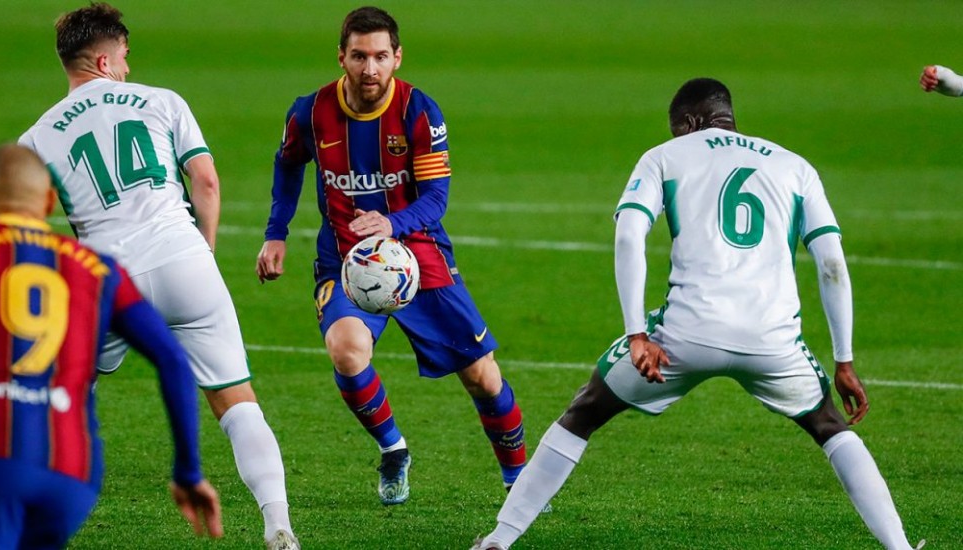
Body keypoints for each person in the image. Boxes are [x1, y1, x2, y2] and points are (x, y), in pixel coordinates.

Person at [472, 78, 922, 550]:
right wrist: (844, 359)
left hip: (682, 338)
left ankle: (500, 540)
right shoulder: (795, 167)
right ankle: (899, 548)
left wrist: (636, 334)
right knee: (829, 425)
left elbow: (629, 237)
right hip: (772, 340)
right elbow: (832, 262)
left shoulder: (665, 157)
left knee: (584, 413)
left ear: (688, 123)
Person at [16, 5, 298, 549]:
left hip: (104, 281)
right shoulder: (162, 100)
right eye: (123, 57)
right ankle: (278, 525)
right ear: (103, 57)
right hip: (183, 260)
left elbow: (27, 226)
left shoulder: (37, 136)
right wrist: (204, 251)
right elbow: (206, 181)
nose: (126, 66)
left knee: (65, 397)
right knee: (236, 401)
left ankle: (32, 517)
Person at [256, 6, 528, 506]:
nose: (370, 69)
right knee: (346, 349)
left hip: (418, 255)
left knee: (483, 377)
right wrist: (276, 232)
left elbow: (436, 198)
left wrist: (391, 223)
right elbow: (288, 164)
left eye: (381, 56)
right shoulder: (310, 112)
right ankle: (394, 449)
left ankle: (521, 481)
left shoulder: (419, 111)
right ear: (341, 57)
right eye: (359, 56)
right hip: (347, 262)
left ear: (397, 58)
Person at [0, 144, 223, 548]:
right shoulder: (99, 269)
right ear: (50, 202)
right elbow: (172, 358)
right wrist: (188, 471)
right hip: (72, 475)